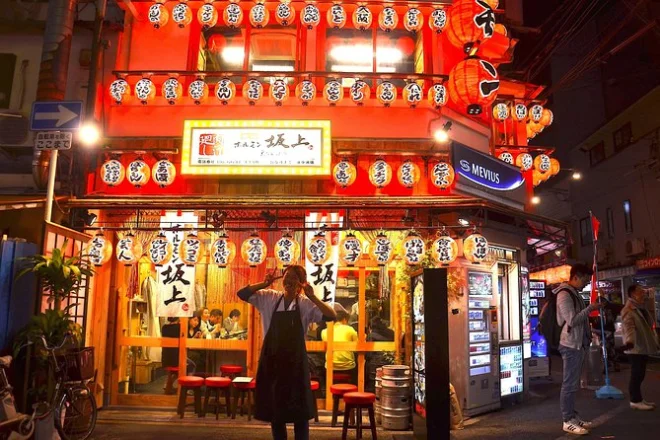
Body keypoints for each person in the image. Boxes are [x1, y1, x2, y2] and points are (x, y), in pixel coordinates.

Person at [238, 265, 337, 440]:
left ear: (301, 283)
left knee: (299, 413)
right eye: (286, 276)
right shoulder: (269, 298)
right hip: (273, 362)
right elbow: (242, 294)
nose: (289, 280)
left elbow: (331, 315)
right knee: (276, 412)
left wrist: (313, 297)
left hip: (295, 364)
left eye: (294, 277)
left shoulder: (305, 304)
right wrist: (264, 284)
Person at [556, 263, 604, 436]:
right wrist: (590, 308)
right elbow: (572, 320)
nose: (586, 283)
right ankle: (567, 420)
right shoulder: (564, 294)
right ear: (576, 276)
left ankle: (572, 417)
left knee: (573, 383)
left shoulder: (574, 293)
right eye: (585, 280)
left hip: (577, 344)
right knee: (569, 384)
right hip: (570, 344)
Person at [622, 284, 660, 411]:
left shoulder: (640, 307)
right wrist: (630, 342)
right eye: (640, 291)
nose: (643, 293)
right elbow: (629, 328)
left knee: (640, 374)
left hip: (641, 346)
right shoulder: (629, 310)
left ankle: (639, 399)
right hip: (635, 348)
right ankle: (635, 400)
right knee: (637, 374)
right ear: (633, 294)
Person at [321, 310, 358, 384]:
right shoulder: (349, 329)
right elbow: (357, 347)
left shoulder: (324, 331)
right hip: (348, 367)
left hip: (330, 367)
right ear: (344, 319)